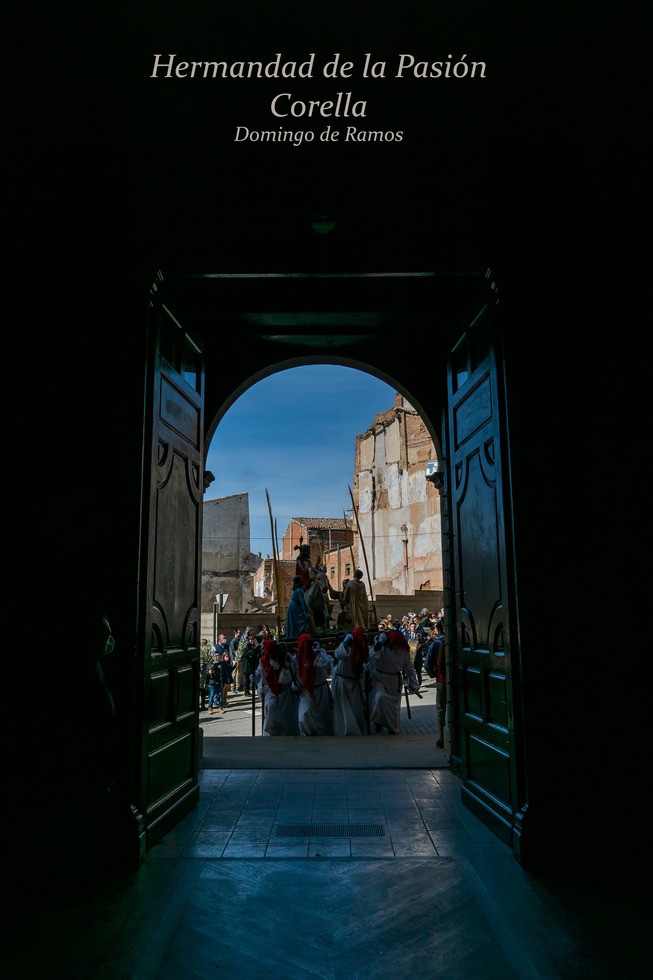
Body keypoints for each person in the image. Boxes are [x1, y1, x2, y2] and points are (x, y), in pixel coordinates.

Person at [367, 628, 420, 735]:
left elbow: (409, 668)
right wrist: (379, 643)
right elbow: (371, 655)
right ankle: (378, 720)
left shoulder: (403, 651)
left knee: (393, 708)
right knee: (380, 698)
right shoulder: (382, 647)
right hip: (379, 679)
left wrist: (414, 684)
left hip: (394, 682)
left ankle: (392, 728)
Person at [292, 632, 335, 736]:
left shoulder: (319, 654)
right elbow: (293, 675)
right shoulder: (295, 659)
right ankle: (307, 735)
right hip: (305, 692)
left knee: (322, 716)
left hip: (321, 690)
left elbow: (328, 664)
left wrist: (319, 653)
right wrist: (295, 685)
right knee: (304, 715)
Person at [255, 637, 300, 736]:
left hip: (287, 690)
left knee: (288, 714)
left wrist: (294, 681)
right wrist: (258, 683)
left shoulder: (286, 657)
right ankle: (272, 732)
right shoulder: (263, 661)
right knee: (271, 706)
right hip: (271, 690)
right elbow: (261, 674)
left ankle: (288, 733)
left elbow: (293, 670)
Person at [331, 626, 370, 735]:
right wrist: (345, 643)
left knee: (356, 708)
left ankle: (355, 729)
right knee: (343, 709)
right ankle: (344, 730)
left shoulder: (364, 648)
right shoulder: (348, 646)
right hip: (342, 680)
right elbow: (338, 655)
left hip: (355, 682)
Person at [285, 574, 312, 639]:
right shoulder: (299, 590)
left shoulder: (294, 590)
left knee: (293, 622)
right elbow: (302, 602)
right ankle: (299, 636)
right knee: (304, 619)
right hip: (295, 607)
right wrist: (307, 610)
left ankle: (294, 635)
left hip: (292, 606)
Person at [241, 631, 261, 696]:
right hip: (247, 666)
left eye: (253, 639)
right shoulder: (246, 647)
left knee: (252, 679)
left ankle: (253, 689)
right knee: (246, 680)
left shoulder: (253, 647)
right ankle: (246, 691)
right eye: (251, 639)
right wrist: (252, 652)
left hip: (252, 665)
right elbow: (246, 655)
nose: (252, 640)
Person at [199, 638, 213, 710]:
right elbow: (201, 664)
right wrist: (201, 672)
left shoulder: (204, 653)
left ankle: (202, 705)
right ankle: (201, 705)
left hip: (204, 673)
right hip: (202, 673)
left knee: (203, 689)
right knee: (202, 689)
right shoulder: (202, 653)